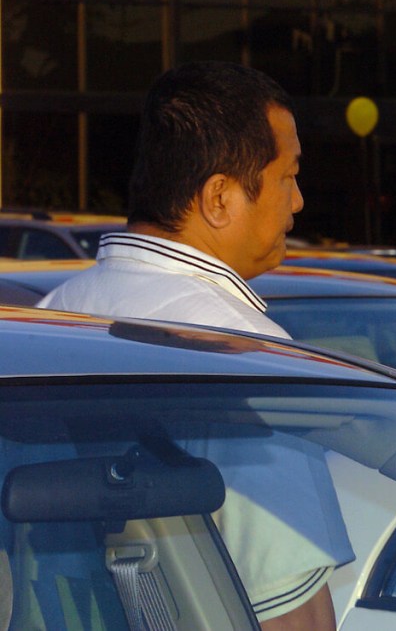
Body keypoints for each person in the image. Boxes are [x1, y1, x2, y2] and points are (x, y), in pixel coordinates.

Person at [37, 61, 353, 630]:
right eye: (288, 176)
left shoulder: (48, 316)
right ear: (219, 198)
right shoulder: (246, 356)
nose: (299, 201)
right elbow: (294, 616)